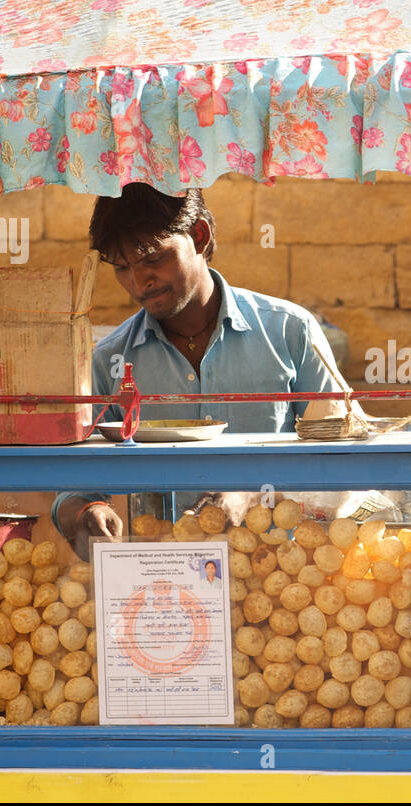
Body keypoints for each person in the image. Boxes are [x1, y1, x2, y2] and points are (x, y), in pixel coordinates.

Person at [53, 184, 349, 558]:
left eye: (153, 259)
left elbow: (341, 464)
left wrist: (254, 493)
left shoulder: (290, 332)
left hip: (280, 578)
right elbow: (72, 485)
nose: (138, 282)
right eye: (122, 268)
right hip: (164, 586)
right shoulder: (109, 362)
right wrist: (87, 511)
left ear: (199, 235)